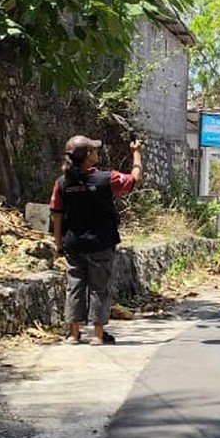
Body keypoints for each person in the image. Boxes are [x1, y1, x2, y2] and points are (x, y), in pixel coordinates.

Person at [50, 135, 141, 344]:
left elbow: (56, 213)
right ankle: (98, 336)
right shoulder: (107, 179)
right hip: (101, 244)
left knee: (74, 286)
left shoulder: (62, 183)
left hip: (73, 244)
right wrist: (136, 153)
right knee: (99, 287)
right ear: (89, 155)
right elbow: (134, 180)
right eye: (94, 150)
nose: (97, 153)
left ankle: (73, 334)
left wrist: (58, 243)